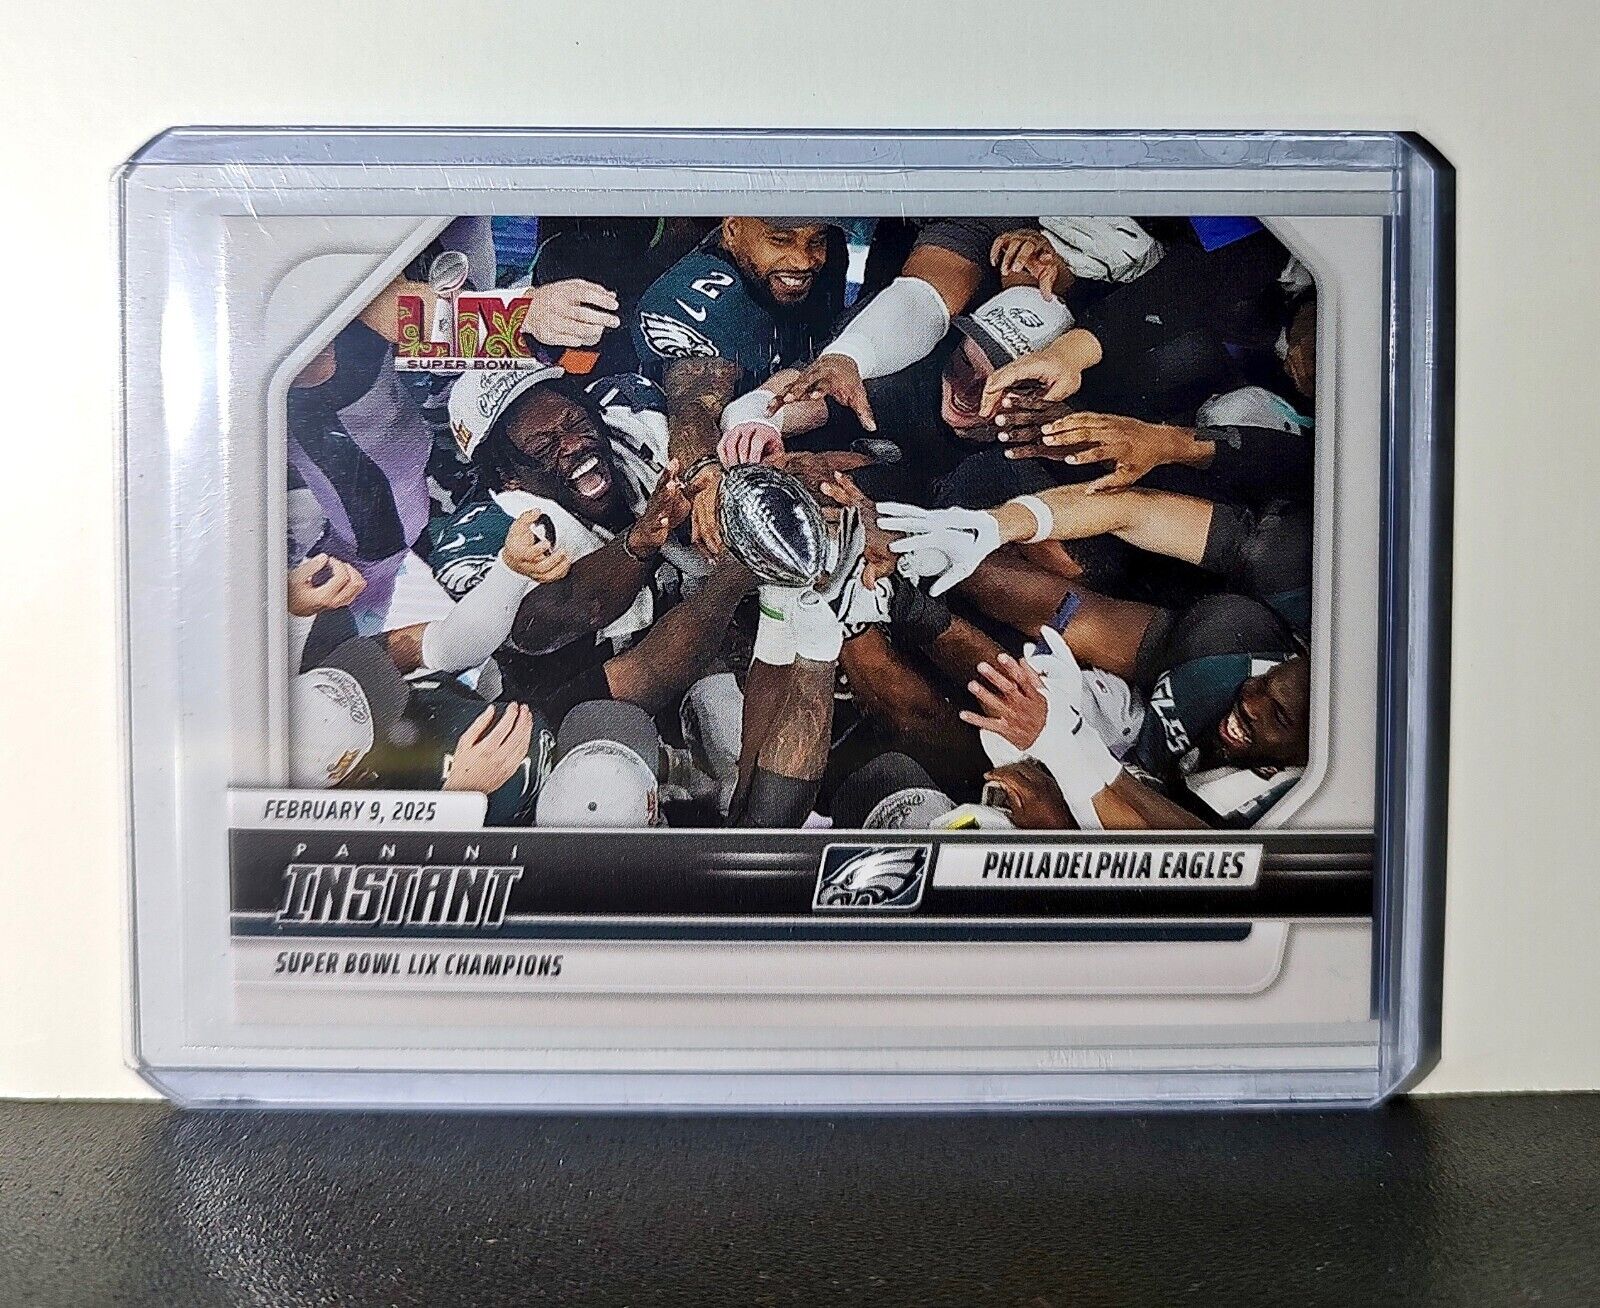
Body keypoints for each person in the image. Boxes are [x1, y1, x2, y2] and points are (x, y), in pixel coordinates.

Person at [632, 217, 847, 384]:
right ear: (733, 230)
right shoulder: (689, 305)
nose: (803, 262)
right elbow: (695, 409)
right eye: (780, 240)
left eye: (817, 240)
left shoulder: (829, 256)